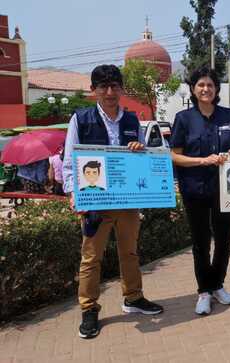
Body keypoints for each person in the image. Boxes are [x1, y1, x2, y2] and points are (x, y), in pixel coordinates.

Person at [62, 64, 163, 339]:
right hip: (94, 202)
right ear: (93, 90)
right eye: (103, 87)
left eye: (114, 86)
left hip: (127, 201)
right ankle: (89, 309)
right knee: (91, 258)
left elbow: (142, 162)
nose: (109, 92)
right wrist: (75, 195)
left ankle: (133, 298)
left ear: (121, 89)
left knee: (130, 252)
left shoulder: (132, 121)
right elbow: (69, 163)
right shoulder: (80, 120)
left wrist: (140, 150)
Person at [169, 67, 230, 315]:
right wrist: (202, 161)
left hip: (228, 189)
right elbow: (174, 156)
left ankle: (217, 285)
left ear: (217, 89)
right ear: (193, 89)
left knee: (224, 240)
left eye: (210, 85)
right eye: (201, 84)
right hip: (195, 189)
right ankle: (203, 290)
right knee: (201, 242)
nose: (206, 89)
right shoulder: (183, 119)